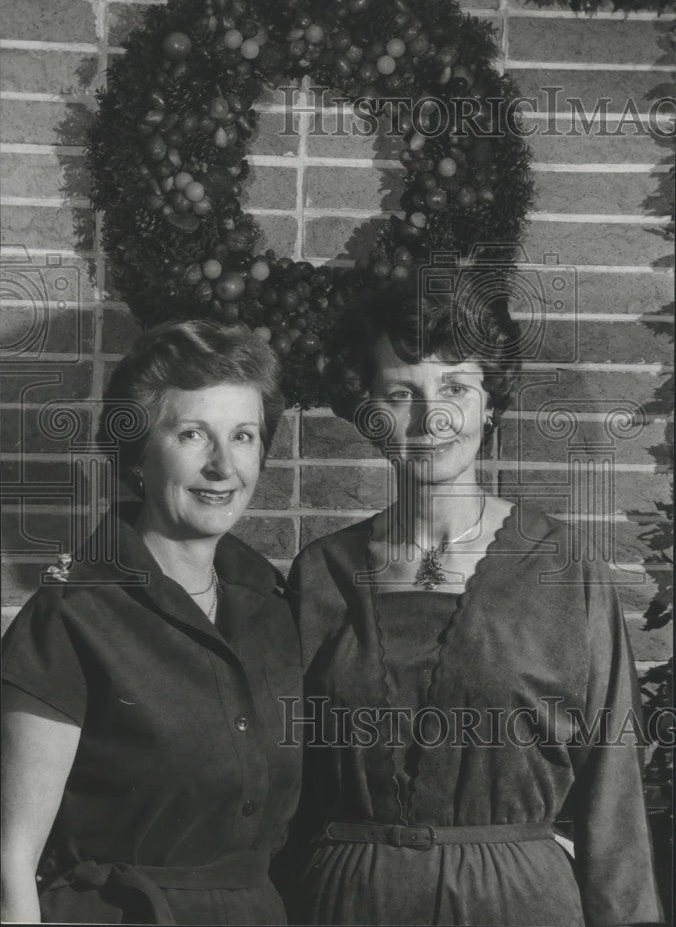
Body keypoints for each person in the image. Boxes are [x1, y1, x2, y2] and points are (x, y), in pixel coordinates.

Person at [284, 278, 664, 927]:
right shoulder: (320, 573)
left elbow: (614, 790)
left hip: (518, 903)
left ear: (491, 405)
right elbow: (280, 787)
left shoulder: (565, 570)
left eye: (456, 388)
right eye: (402, 393)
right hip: (345, 903)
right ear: (368, 412)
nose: (431, 420)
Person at [1, 319, 302, 925]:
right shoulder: (72, 616)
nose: (223, 465)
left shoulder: (274, 609)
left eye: (243, 436)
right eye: (193, 434)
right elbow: (9, 860)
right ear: (138, 453)